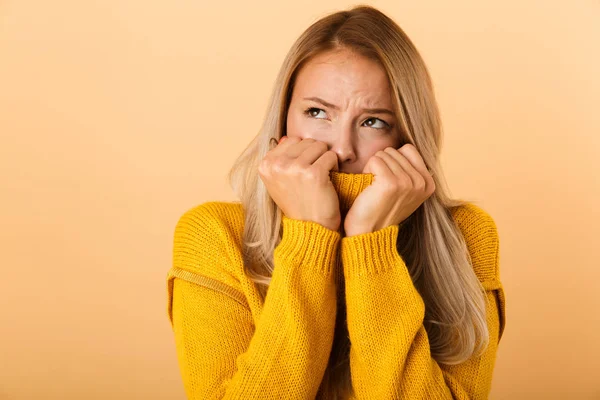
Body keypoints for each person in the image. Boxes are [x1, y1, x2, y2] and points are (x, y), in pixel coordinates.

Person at [166, 5, 506, 399]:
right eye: (317, 112)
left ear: (408, 138)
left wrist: (370, 244)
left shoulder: (466, 236)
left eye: (373, 121)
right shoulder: (214, 236)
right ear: (283, 121)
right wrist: (310, 237)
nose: (342, 148)